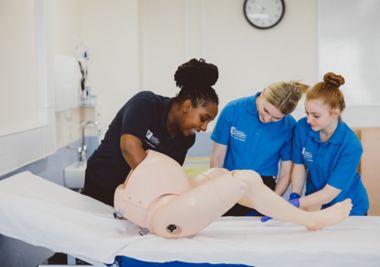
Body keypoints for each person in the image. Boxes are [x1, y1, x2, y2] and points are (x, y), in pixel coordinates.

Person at [114, 149, 353, 239]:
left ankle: (290, 214)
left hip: (173, 200)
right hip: (162, 216)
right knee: (245, 180)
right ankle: (310, 219)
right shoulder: (131, 143)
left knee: (221, 173)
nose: (202, 127)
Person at [83, 58, 219, 206]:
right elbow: (129, 147)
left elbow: (170, 172)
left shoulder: (186, 139)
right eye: (203, 118)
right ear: (187, 106)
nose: (204, 128)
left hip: (132, 196)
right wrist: (157, 188)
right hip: (102, 184)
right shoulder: (147, 104)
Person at [210, 81, 309, 216]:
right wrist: (217, 189)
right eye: (266, 111)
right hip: (229, 180)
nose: (266, 119)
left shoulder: (289, 126)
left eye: (276, 118)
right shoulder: (233, 110)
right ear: (263, 93)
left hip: (263, 185)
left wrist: (273, 200)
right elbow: (217, 157)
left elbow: (285, 173)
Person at [288, 72, 369, 215]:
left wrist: (296, 204)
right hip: (316, 204)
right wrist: (295, 194)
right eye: (307, 113)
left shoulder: (351, 145)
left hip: (349, 208)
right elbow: (299, 166)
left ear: (335, 113)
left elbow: (330, 192)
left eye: (316, 115)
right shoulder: (302, 128)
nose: (308, 120)